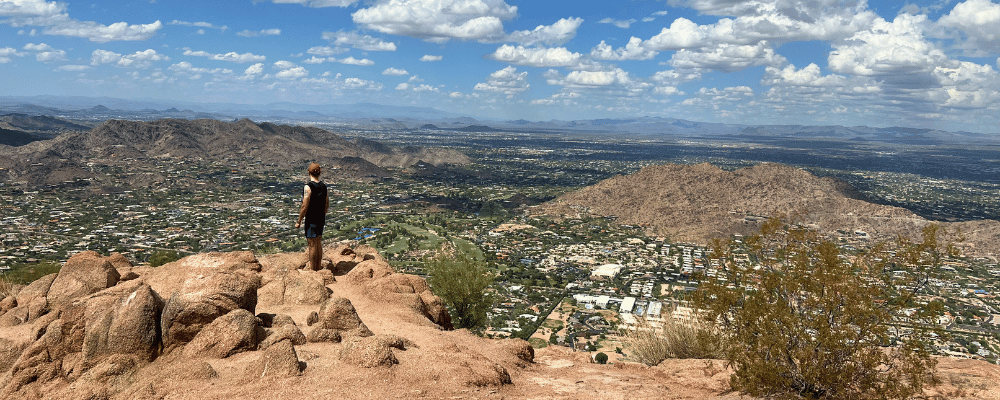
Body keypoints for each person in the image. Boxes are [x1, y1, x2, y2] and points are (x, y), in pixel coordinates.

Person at [295, 162, 329, 270]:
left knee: (312, 245)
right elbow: (327, 203)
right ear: (319, 173)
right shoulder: (324, 186)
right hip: (321, 217)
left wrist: (299, 221)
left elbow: (304, 206)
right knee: (318, 243)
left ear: (309, 172)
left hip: (311, 219)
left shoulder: (308, 187)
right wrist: (323, 213)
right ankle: (318, 267)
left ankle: (313, 270)